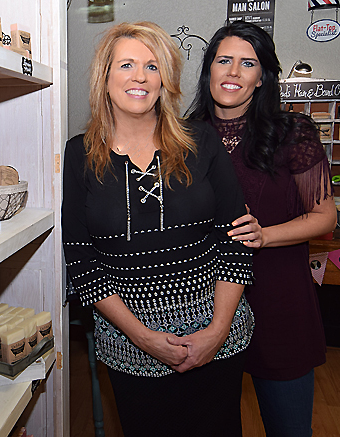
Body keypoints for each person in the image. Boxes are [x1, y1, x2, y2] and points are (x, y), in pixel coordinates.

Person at [62, 21, 254, 436]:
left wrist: (216, 331)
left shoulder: (201, 140)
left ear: (165, 80)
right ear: (105, 77)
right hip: (130, 345)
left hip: (216, 337)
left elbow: (236, 240)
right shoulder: (79, 155)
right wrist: (144, 337)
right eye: (127, 64)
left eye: (152, 66)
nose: (140, 77)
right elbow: (81, 259)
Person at [187, 20, 337, 437]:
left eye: (247, 63)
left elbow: (325, 217)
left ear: (261, 78)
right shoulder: (183, 137)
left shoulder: (294, 133)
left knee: (288, 428)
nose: (233, 72)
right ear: (209, 70)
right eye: (224, 60)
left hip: (279, 305)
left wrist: (265, 234)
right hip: (204, 309)